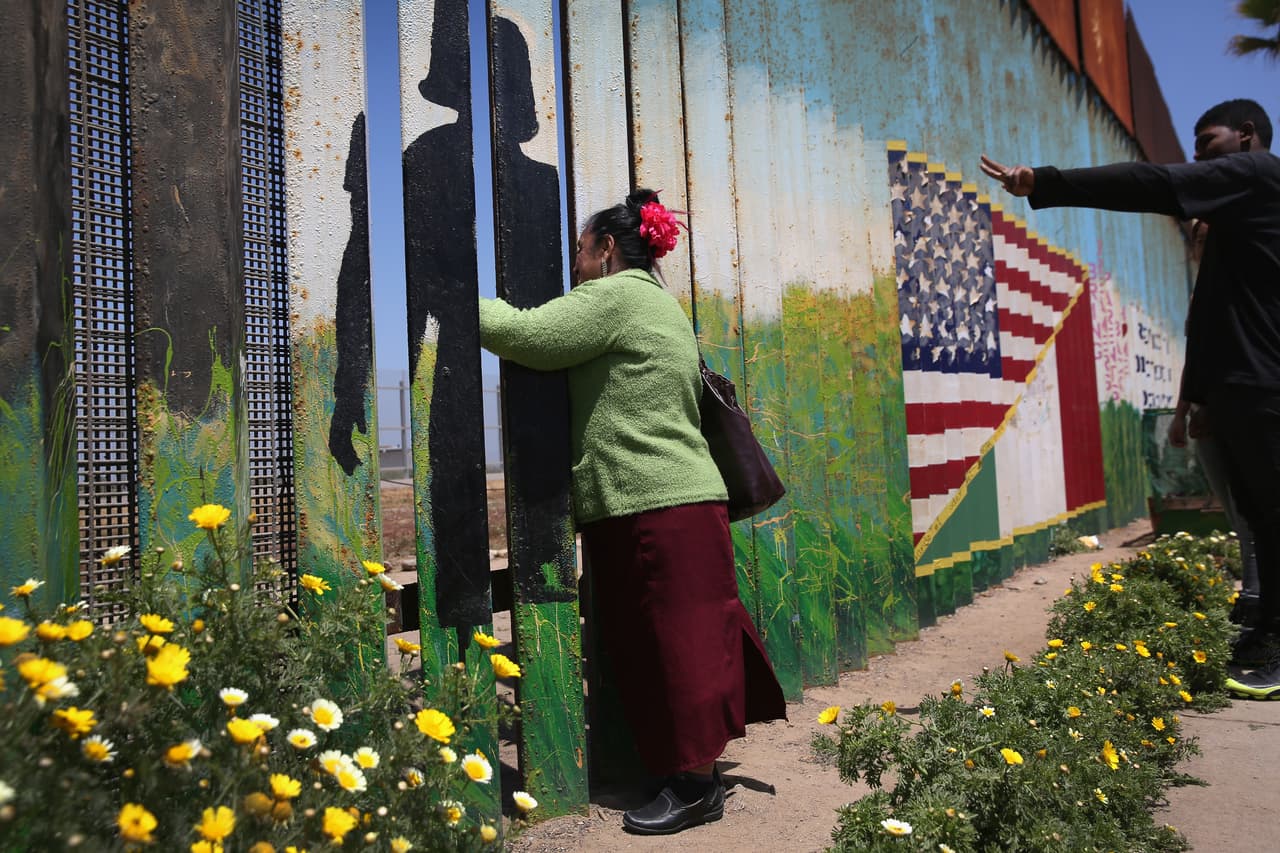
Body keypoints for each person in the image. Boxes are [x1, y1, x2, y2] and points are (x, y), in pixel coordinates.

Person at [477, 188, 787, 833]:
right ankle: (688, 770)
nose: (576, 266)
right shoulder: (660, 303)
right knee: (680, 634)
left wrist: (458, 302)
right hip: (675, 498)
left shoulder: (614, 296)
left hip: (653, 501)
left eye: (582, 252)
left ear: (608, 249)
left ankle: (696, 787)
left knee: (678, 642)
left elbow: (532, 337)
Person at [979, 98, 1280, 699]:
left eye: (1208, 141)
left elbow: (1155, 183)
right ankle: (1265, 633)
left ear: (1247, 136)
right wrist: (1195, 398)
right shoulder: (1237, 216)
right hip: (1240, 388)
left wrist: (1046, 181)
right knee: (1261, 519)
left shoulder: (1257, 173)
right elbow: (1213, 313)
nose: (1197, 155)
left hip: (1264, 386)